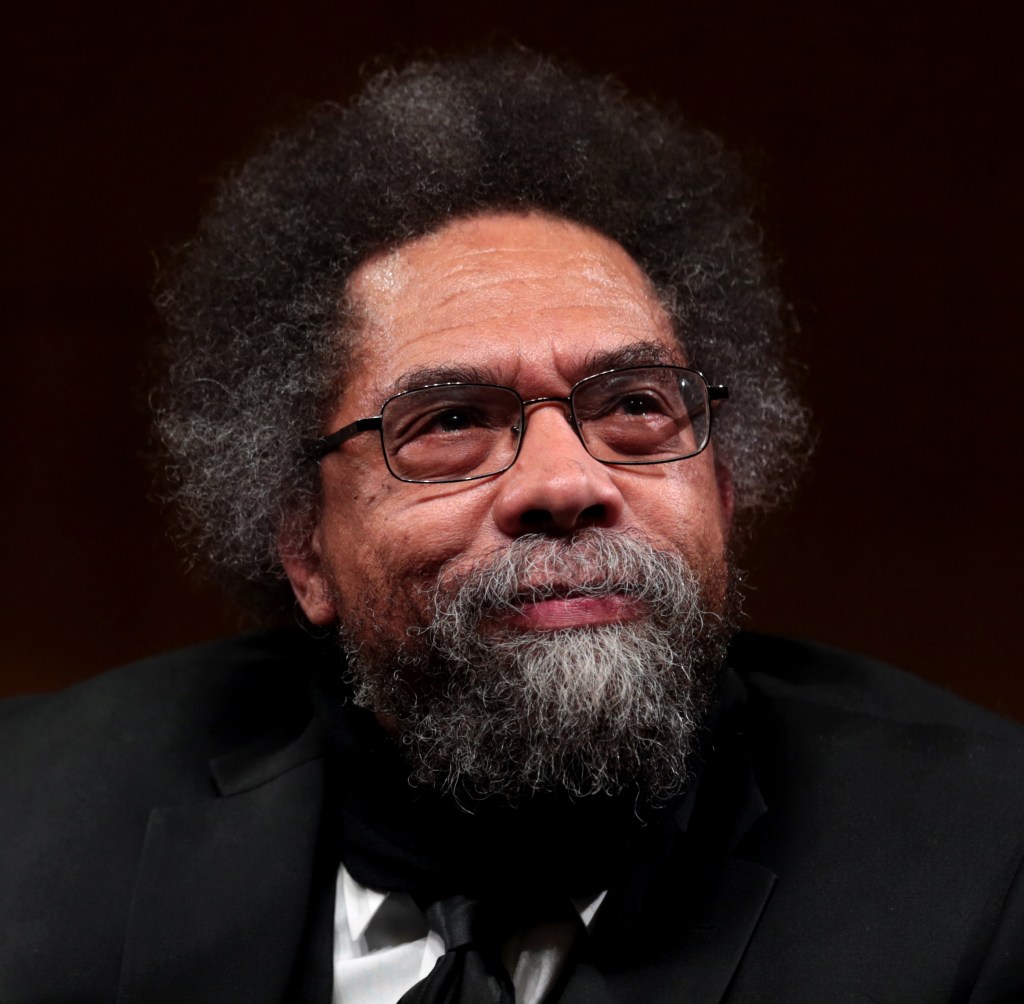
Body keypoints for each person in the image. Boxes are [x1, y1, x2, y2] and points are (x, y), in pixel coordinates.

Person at [2, 48, 1022, 1003]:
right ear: (303, 544)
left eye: (632, 405)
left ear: (719, 488)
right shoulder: (28, 826)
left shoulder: (988, 866)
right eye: (449, 421)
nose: (565, 481)